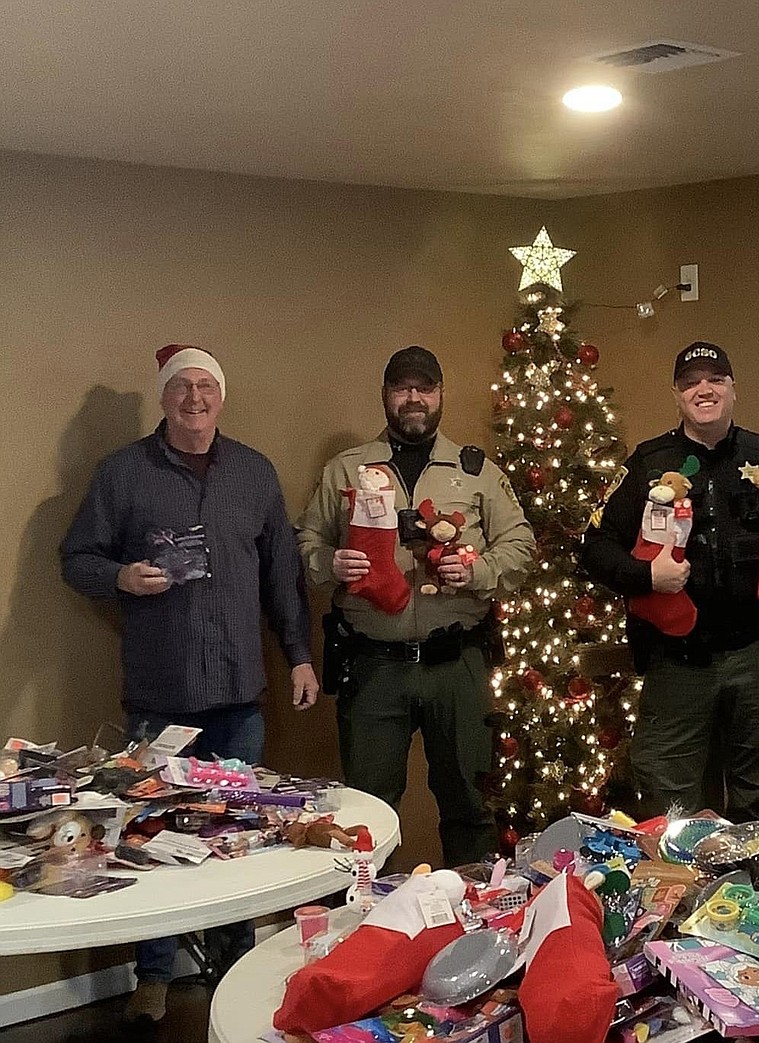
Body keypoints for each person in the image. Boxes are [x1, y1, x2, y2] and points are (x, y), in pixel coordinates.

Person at [61, 344, 319, 1022]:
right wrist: (118, 576)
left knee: (236, 836)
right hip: (160, 696)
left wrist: (298, 654)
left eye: (206, 386)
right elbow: (76, 556)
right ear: (164, 397)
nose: (195, 398)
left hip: (240, 694)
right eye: (182, 387)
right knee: (151, 833)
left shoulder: (254, 472)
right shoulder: (122, 474)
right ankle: (155, 974)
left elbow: (282, 578)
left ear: (221, 397)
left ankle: (236, 965)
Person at [580, 341, 759, 822]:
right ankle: (678, 895)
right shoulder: (647, 462)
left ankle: (755, 890)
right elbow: (593, 548)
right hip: (678, 660)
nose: (704, 389)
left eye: (715, 379)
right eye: (691, 382)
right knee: (668, 797)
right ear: (677, 395)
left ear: (732, 389)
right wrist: (645, 576)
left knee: (758, 793)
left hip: (758, 653)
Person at [296, 346, 535, 866]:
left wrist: (478, 571)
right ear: (385, 395)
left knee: (471, 807)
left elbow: (521, 547)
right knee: (367, 813)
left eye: (424, 388)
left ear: (440, 395)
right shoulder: (346, 470)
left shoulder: (476, 472)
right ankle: (371, 930)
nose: (413, 398)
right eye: (402, 388)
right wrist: (329, 563)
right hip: (374, 666)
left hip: (457, 666)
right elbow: (304, 545)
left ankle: (472, 929)